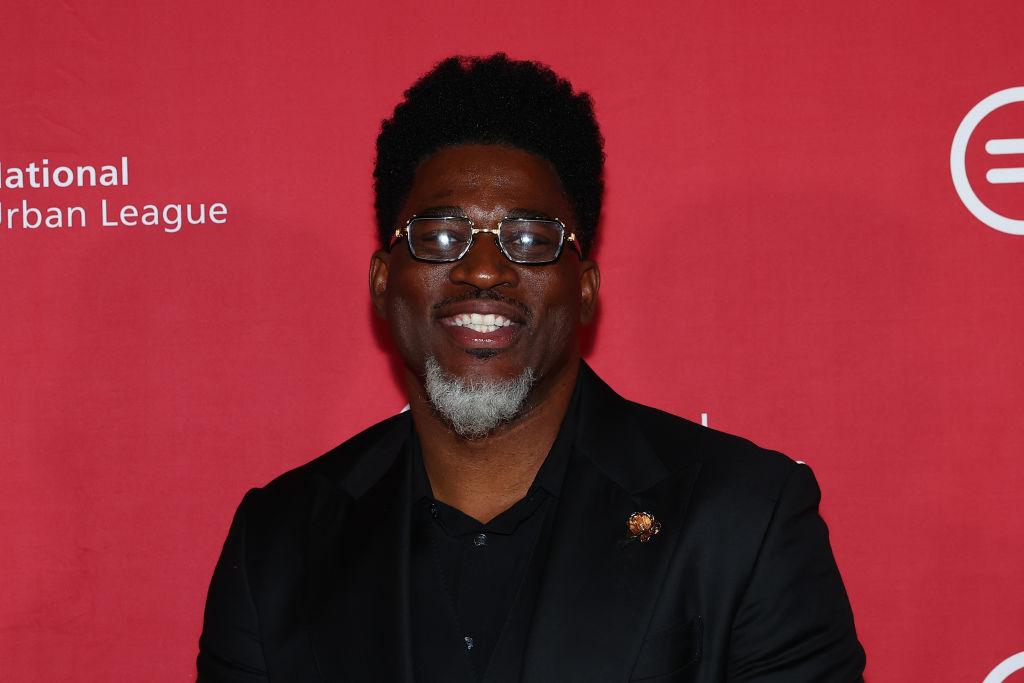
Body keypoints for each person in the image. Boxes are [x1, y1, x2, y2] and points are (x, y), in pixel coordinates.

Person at [197, 54, 865, 682]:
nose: (482, 268)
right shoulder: (277, 544)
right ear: (381, 280)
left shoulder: (743, 520)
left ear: (584, 287)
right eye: (438, 235)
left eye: (528, 238)